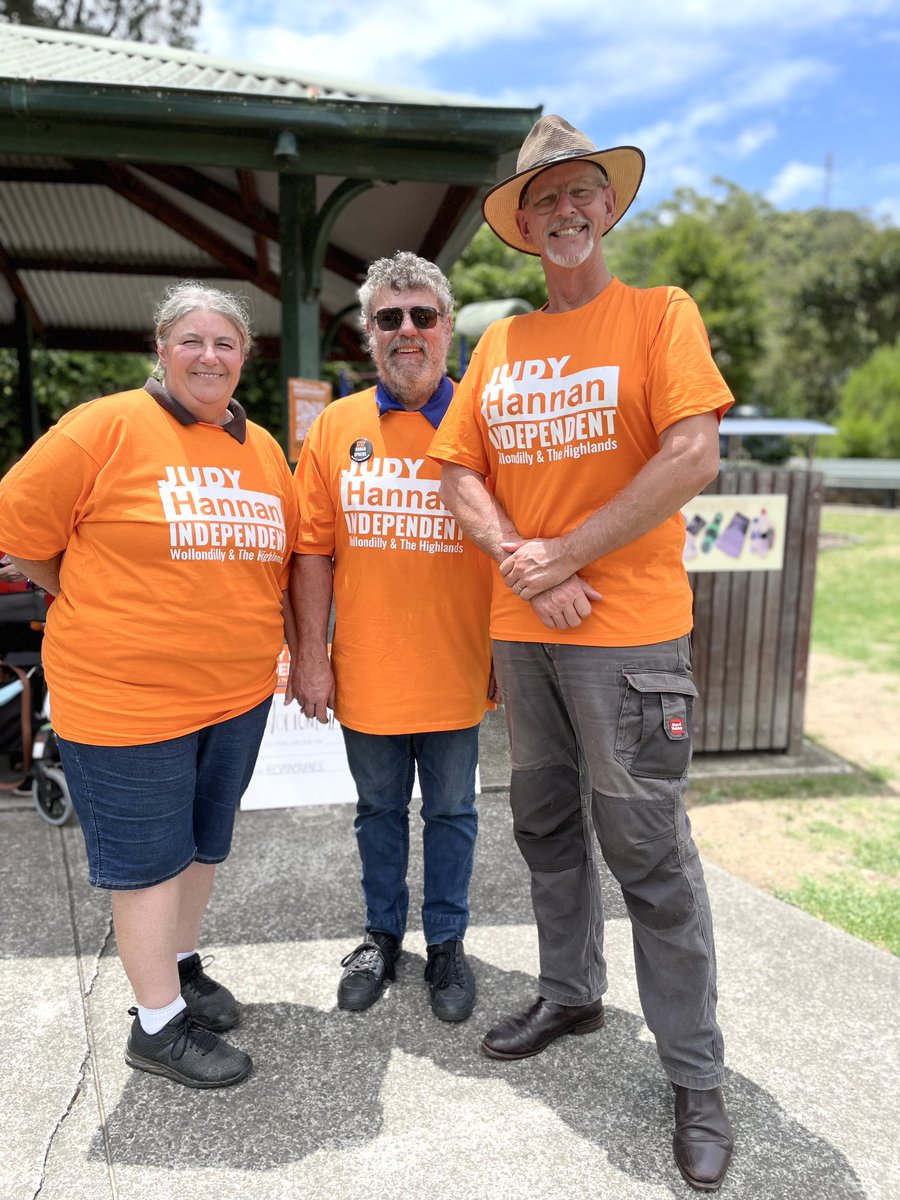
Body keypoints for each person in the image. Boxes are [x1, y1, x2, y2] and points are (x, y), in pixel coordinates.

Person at [430, 116, 735, 1192]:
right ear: (523, 226)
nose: (564, 212)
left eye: (580, 193)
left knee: (649, 853)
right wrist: (528, 563)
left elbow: (692, 453)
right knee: (547, 827)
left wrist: (566, 553)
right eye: (543, 200)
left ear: (607, 206)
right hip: (526, 635)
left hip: (628, 636)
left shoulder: (659, 315)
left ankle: (695, 1077)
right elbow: (456, 470)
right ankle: (571, 992)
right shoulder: (501, 344)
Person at [0, 282, 298, 1089]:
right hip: (126, 697)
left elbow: (278, 562)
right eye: (191, 340)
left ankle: (180, 965)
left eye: (225, 342)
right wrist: (88, 590)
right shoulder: (102, 427)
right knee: (148, 862)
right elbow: (23, 534)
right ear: (161, 349)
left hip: (236, 695)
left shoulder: (263, 449)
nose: (209, 356)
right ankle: (157, 1026)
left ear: (244, 356)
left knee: (203, 843)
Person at [291, 251, 494, 1022]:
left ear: (446, 326)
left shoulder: (484, 421)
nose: (407, 330)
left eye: (422, 316)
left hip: (457, 667)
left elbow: (515, 539)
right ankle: (381, 937)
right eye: (389, 317)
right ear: (368, 332)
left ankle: (446, 942)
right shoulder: (337, 426)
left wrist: (507, 652)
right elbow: (311, 550)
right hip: (368, 670)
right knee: (377, 811)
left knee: (452, 814)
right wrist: (312, 657)